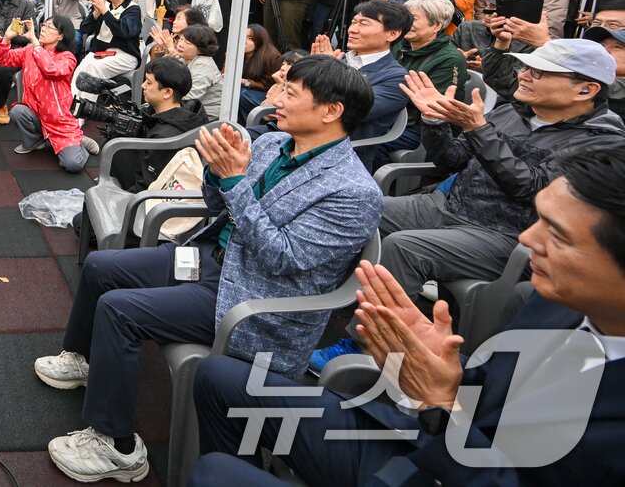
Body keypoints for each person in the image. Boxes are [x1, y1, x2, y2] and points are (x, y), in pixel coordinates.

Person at [35, 56, 382, 483]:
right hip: (213, 260)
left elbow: (283, 258)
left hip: (256, 297)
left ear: (331, 111)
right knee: (102, 266)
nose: (279, 97)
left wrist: (235, 182)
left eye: (291, 92)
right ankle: (85, 359)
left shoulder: (353, 191)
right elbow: (222, 210)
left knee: (118, 309)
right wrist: (218, 176)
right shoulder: (274, 144)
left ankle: (118, 447)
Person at [191, 147, 625, 486]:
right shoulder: (557, 303)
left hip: (461, 467)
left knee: (211, 473)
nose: (527, 239)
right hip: (422, 446)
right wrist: (444, 374)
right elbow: (488, 396)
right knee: (218, 377)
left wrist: (441, 404)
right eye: (538, 220)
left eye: (558, 235)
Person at [309, 38, 625, 371]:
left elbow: (528, 187)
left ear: (585, 90)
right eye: (527, 67)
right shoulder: (510, 111)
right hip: (451, 206)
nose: (524, 75)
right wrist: (434, 121)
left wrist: (478, 128)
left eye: (541, 72)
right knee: (354, 205)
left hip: (507, 234)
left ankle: (366, 348)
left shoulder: (600, 141)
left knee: (405, 247)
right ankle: (317, 303)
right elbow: (451, 161)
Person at [310, 0, 411, 168]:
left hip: (337, 153)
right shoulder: (337, 58)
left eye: (364, 24)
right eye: (353, 22)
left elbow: (350, 111)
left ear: (392, 34)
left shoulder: (396, 78)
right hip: (296, 133)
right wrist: (313, 68)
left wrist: (329, 73)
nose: (352, 29)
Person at [0, 15, 98, 171]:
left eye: (49, 27)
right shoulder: (29, 50)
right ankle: (37, 141)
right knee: (18, 111)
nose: (43, 29)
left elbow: (50, 70)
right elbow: (4, 60)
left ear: (61, 35)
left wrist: (35, 43)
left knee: (73, 164)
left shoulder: (67, 57)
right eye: (43, 25)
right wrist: (6, 38)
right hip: (37, 115)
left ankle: (78, 141)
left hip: (60, 122)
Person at [111, 57, 209, 192]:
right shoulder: (186, 113)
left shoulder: (166, 138)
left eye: (149, 83)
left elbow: (146, 187)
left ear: (167, 92)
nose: (143, 86)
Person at [74, 0, 143, 98]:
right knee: (80, 70)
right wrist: (95, 14)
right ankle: (71, 107)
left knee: (94, 70)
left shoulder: (133, 9)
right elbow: (84, 29)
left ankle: (86, 110)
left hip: (125, 55)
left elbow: (124, 31)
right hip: (101, 52)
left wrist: (105, 11)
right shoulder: (104, 6)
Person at [174, 24, 222, 121]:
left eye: (188, 43)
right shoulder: (185, 58)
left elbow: (191, 97)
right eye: (181, 39)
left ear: (201, 49)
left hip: (207, 117)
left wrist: (165, 101)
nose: (180, 44)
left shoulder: (203, 65)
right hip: (190, 111)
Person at [238, 24, 283, 121]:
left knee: (242, 94)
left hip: (268, 95)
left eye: (250, 38)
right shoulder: (237, 53)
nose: (244, 41)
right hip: (247, 91)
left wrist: (247, 82)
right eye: (243, 36)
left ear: (259, 40)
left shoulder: (271, 56)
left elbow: (270, 85)